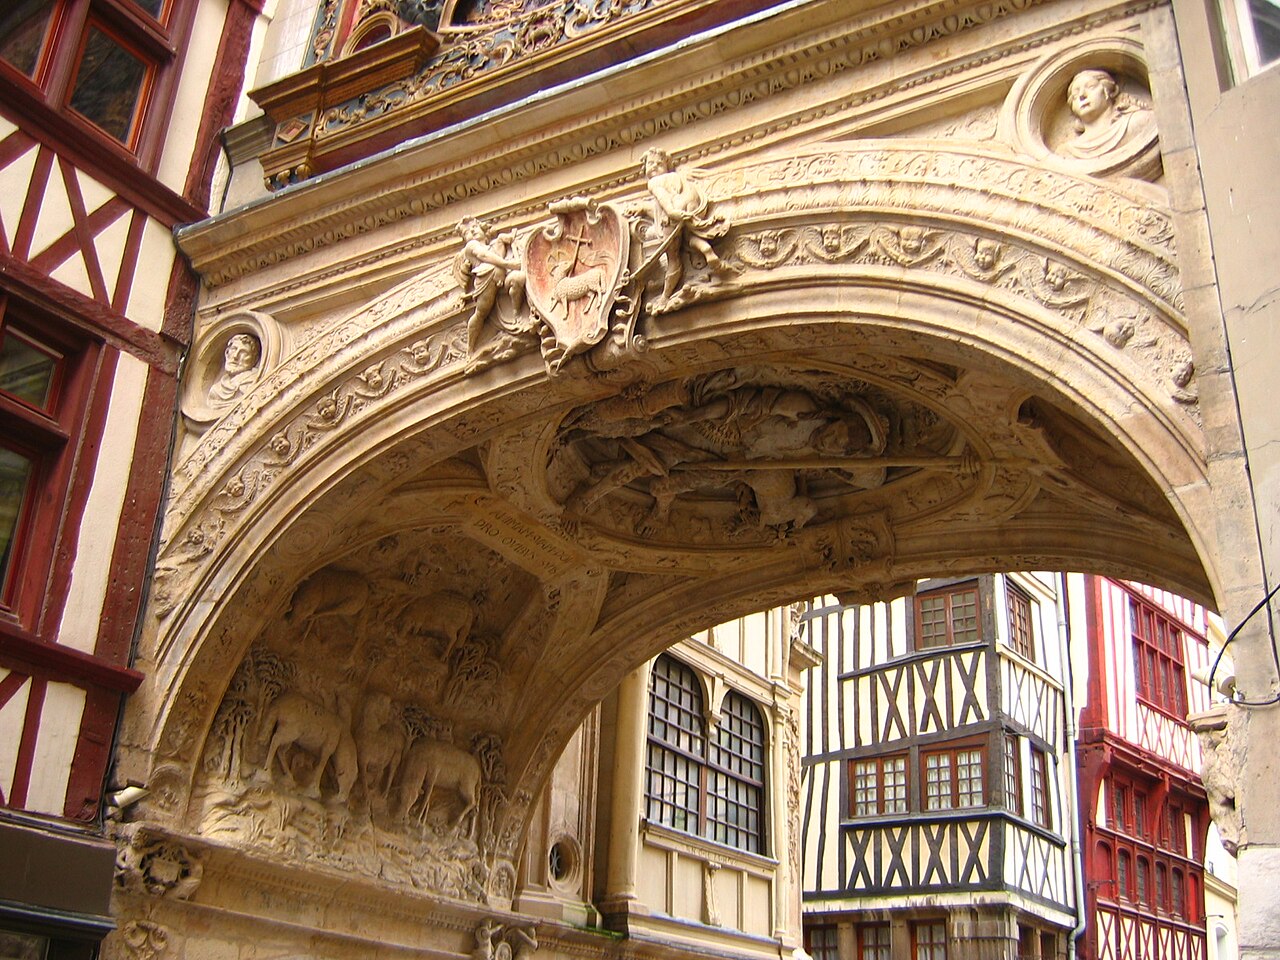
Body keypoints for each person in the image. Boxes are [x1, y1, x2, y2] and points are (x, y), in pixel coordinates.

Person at [640, 148, 731, 303]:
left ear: (667, 167)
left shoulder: (654, 182)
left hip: (674, 211)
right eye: (651, 163)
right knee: (689, 236)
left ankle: (665, 297)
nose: (654, 166)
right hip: (692, 203)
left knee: (673, 258)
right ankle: (706, 250)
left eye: (659, 164)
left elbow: (663, 198)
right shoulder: (676, 176)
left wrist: (672, 212)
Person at [454, 216, 526, 355]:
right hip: (486, 280)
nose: (472, 231)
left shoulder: (495, 243)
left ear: (483, 229)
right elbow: (484, 256)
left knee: (518, 279)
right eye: (467, 232)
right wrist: (508, 264)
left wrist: (508, 238)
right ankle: (470, 346)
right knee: (481, 313)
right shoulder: (471, 247)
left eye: (475, 227)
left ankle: (517, 314)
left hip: (502, 278)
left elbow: (504, 242)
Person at [1063, 68, 1156, 160]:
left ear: (1108, 91)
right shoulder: (1067, 152)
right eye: (1075, 95)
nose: (1082, 95)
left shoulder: (1139, 122)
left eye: (1091, 87)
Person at [208, 332, 261, 406]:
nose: (235, 356)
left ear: (254, 359)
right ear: (226, 353)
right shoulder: (216, 390)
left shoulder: (252, 382)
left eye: (244, 353)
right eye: (233, 349)